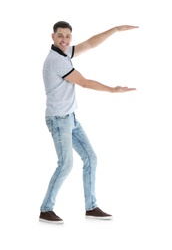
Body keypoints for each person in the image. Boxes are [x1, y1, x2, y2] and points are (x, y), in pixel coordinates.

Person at [39, 21, 138, 224]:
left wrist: (115, 29)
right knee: (65, 165)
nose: (64, 40)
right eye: (60, 36)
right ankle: (45, 209)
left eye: (67, 36)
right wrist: (112, 89)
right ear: (53, 37)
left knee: (91, 158)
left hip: (70, 118)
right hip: (59, 120)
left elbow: (91, 44)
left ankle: (91, 207)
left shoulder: (64, 53)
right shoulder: (56, 60)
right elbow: (83, 82)